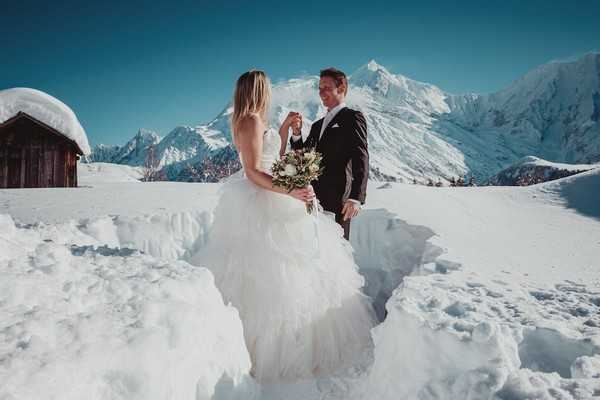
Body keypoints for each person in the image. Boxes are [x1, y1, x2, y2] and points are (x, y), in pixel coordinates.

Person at [190, 70, 376, 383]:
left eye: (326, 88)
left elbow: (271, 157)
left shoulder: (252, 120)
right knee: (277, 275)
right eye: (268, 88)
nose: (271, 93)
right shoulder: (250, 119)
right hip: (265, 200)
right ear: (259, 90)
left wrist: (285, 132)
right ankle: (270, 350)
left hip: (282, 195)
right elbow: (252, 171)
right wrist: (290, 190)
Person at [283, 68, 368, 240]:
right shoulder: (316, 125)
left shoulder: (353, 117)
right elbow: (302, 157)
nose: (321, 93)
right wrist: (297, 133)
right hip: (313, 200)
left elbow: (361, 157)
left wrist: (356, 198)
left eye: (326, 88)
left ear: (341, 88)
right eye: (320, 88)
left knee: (339, 254)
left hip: (340, 201)